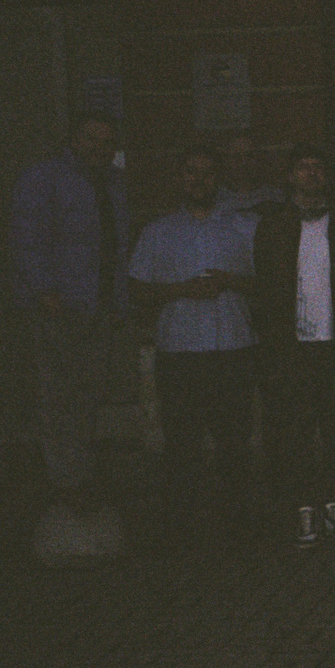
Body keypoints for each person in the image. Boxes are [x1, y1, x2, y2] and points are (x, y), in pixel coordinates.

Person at [10, 112, 131, 561]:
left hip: (99, 308)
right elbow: (27, 238)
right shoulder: (43, 179)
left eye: (107, 141)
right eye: (91, 139)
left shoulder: (113, 183)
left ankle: (80, 473)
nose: (100, 148)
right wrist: (44, 291)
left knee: (87, 394)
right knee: (57, 396)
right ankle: (66, 481)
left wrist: (117, 301)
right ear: (73, 140)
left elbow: (116, 245)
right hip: (60, 307)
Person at [128, 145, 258, 536]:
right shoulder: (157, 232)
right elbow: (138, 291)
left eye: (207, 172)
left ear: (219, 178)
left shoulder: (245, 226)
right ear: (179, 178)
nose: (199, 180)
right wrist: (181, 289)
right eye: (190, 171)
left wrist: (230, 281)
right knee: (182, 446)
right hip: (180, 353)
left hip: (232, 349)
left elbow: (271, 283)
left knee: (235, 444)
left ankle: (239, 528)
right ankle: (182, 529)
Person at [252, 144, 335, 548]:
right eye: (303, 167)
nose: (311, 174)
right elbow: (266, 287)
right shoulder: (274, 226)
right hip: (292, 347)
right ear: (290, 176)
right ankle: (303, 507)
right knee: (296, 431)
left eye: (318, 167)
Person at [214, 132, 285, 216]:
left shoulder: (275, 198)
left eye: (249, 155)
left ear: (258, 159)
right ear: (227, 161)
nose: (243, 162)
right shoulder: (214, 199)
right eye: (237, 156)